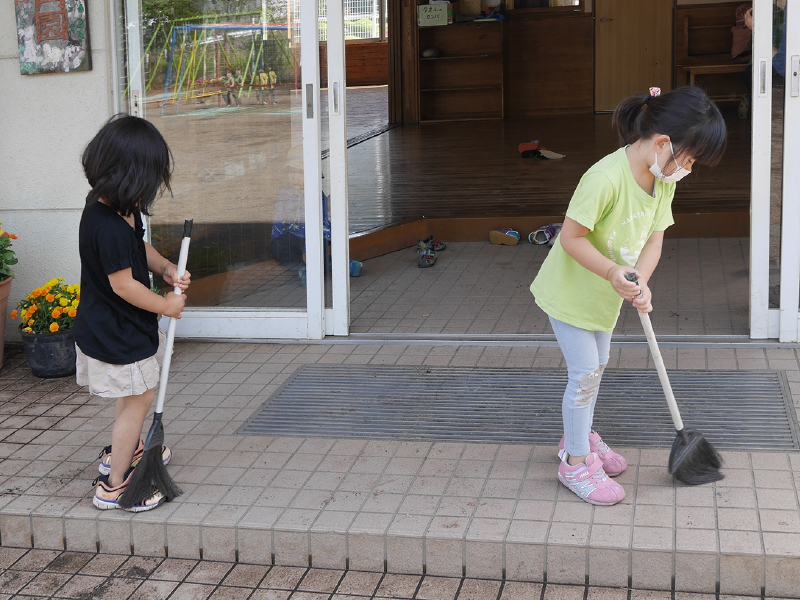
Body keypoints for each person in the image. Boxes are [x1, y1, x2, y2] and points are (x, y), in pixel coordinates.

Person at [530, 86, 727, 506]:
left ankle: (577, 436)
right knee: (584, 374)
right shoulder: (604, 178)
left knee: (596, 367)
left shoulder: (661, 181)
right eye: (689, 159)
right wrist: (613, 271)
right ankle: (575, 465)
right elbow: (570, 237)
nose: (688, 169)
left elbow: (653, 242)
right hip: (571, 293)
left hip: (607, 296)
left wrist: (641, 280)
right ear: (661, 144)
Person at [73, 115, 191, 512]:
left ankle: (128, 448)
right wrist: (166, 305)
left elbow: (138, 249)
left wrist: (166, 269)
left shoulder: (123, 210)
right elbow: (123, 285)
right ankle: (115, 485)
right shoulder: (104, 223)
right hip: (115, 332)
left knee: (134, 396)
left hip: (122, 326)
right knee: (139, 398)